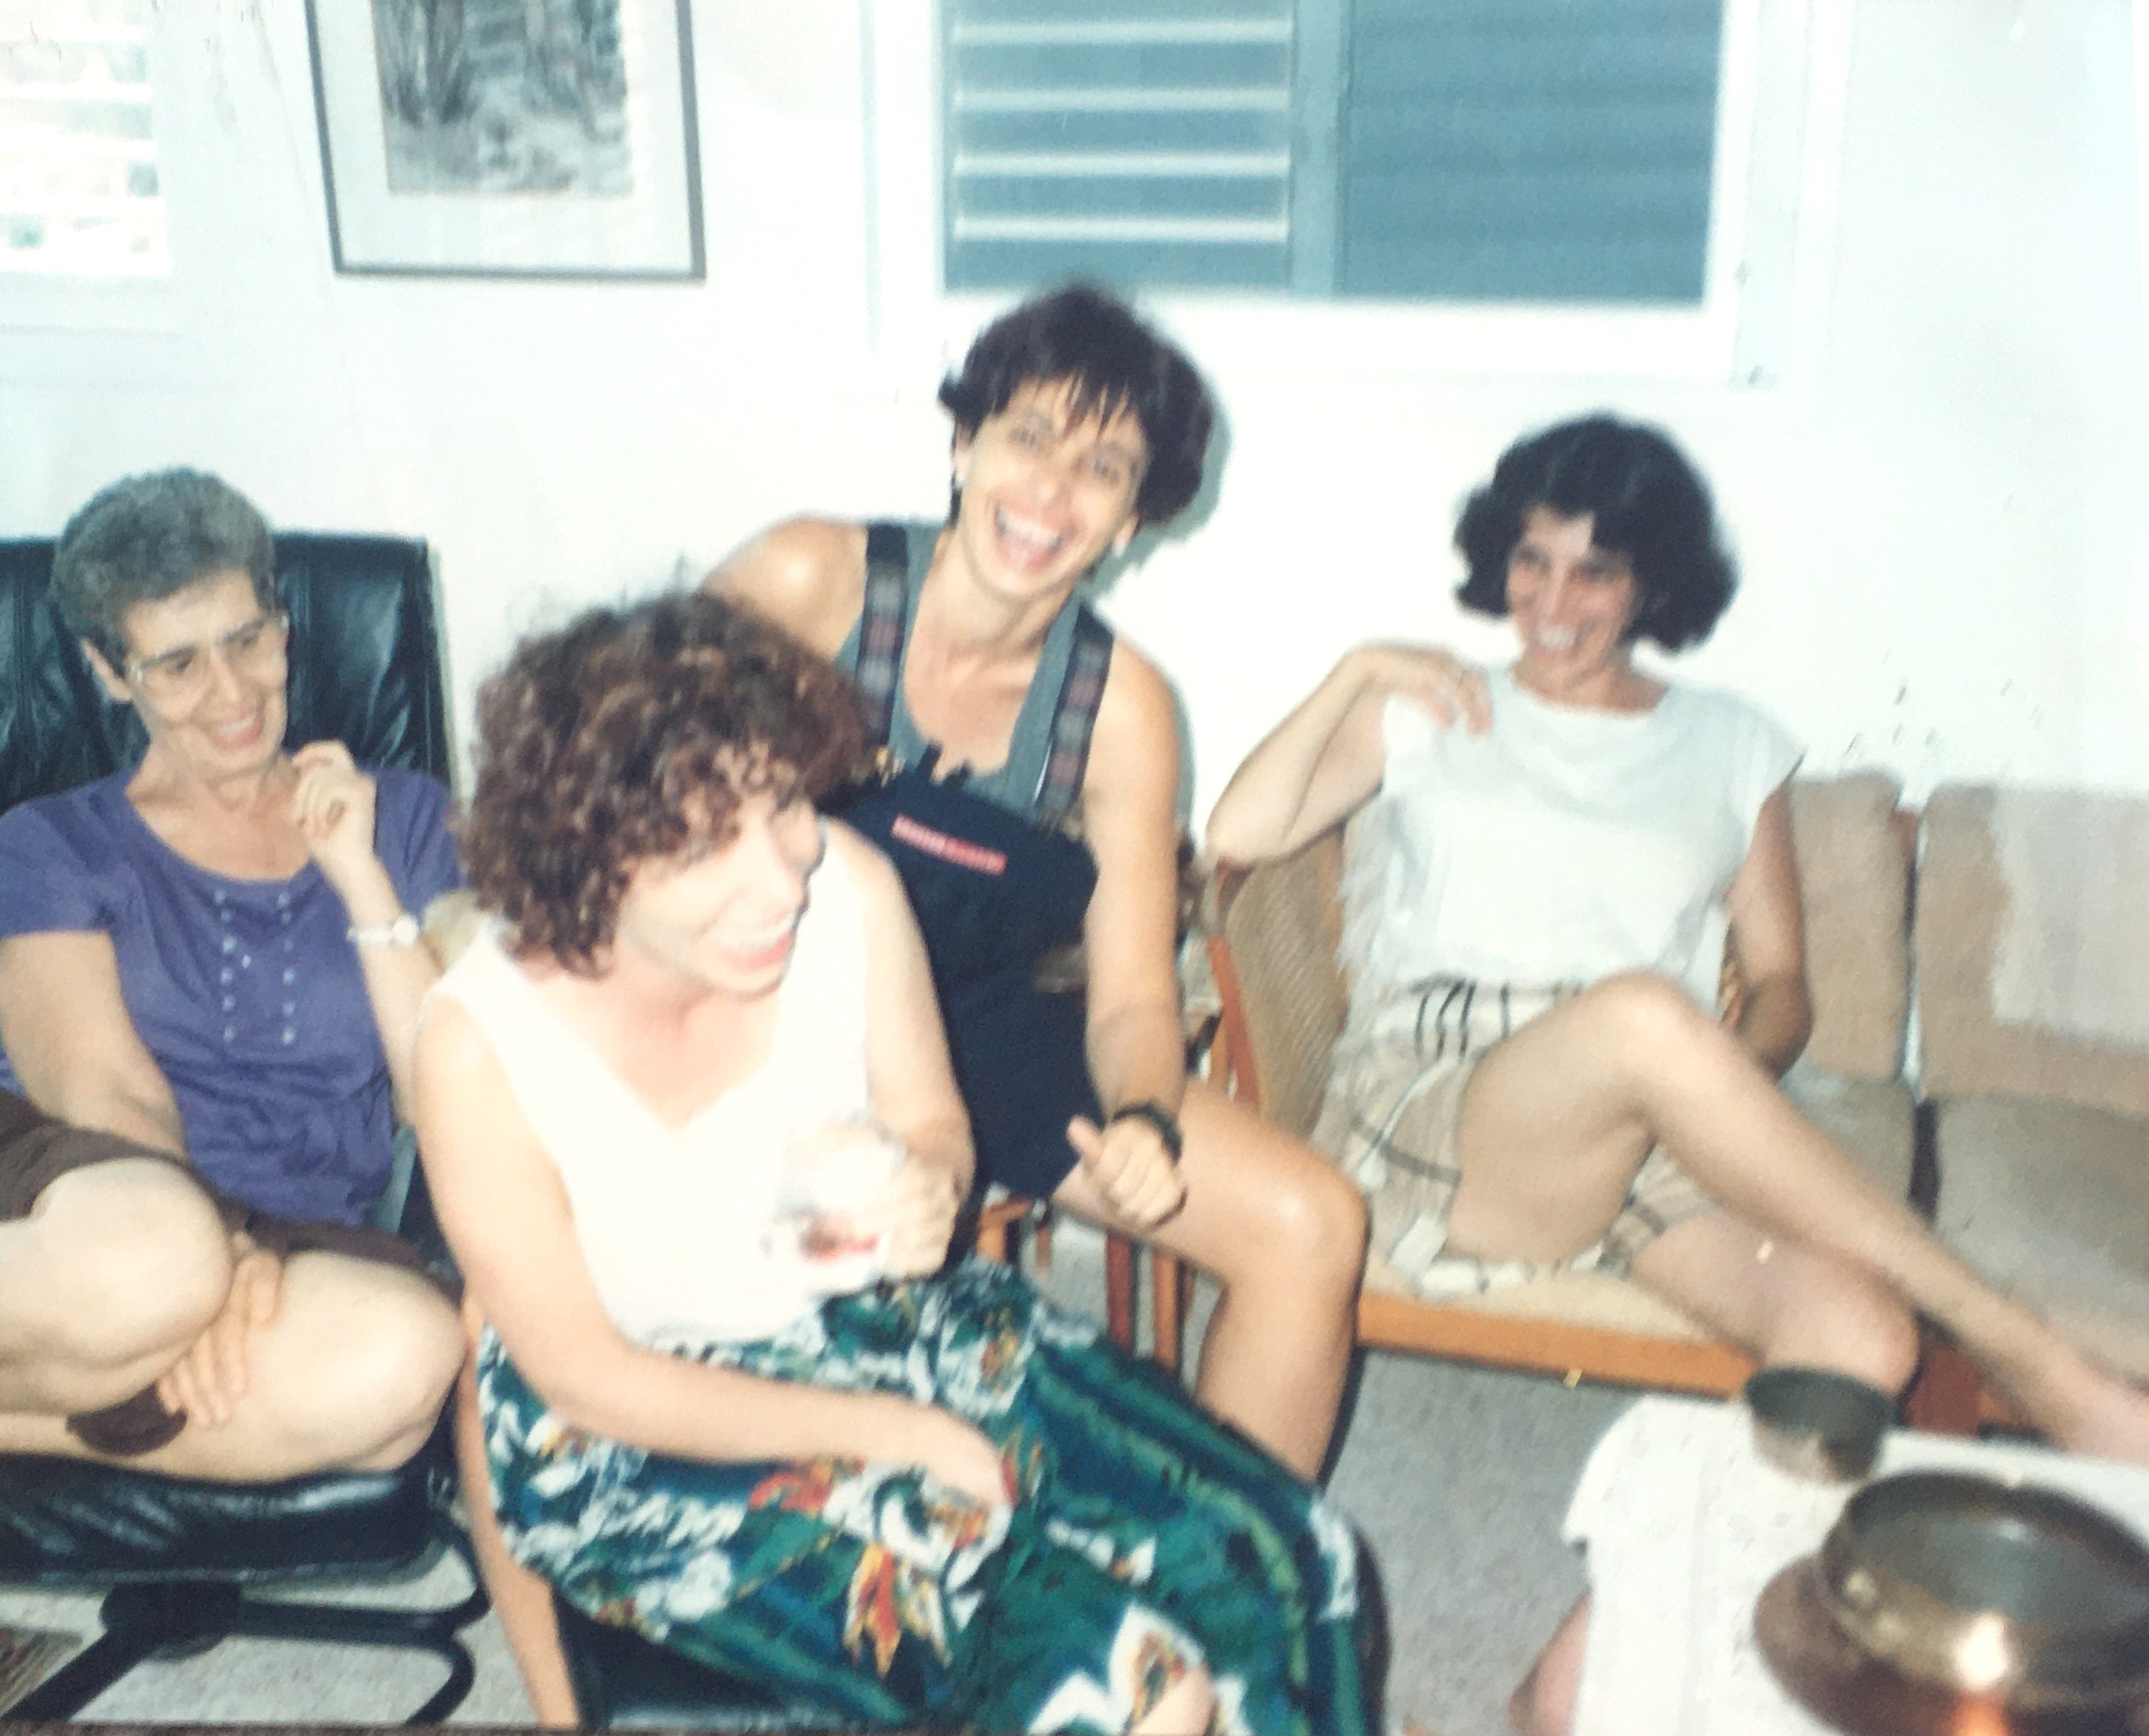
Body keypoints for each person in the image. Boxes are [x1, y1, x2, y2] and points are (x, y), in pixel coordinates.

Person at [1204, 413, 2149, 1734]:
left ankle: (1558, 1691)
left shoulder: (1732, 741)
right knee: (1646, 1015)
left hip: (1642, 1105)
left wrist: (1718, 1090)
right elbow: (1238, 829)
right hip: (1448, 1098)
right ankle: (2028, 1352)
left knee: (1859, 1342)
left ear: (1653, 583)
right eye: (1532, 561)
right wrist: (1356, 670)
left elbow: (1783, 983)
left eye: (1595, 571)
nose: (1554, 602)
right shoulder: (1428, 706)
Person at [415, 594, 1374, 1735]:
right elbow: (585, 1378)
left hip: (886, 1326)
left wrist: (928, 1185)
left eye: (784, 805)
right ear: (588, 851)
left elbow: (933, 1124)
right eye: (708, 844)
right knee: (1120, 1684)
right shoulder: (479, 1043)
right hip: (642, 1435)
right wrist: (895, 1433)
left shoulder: (851, 890)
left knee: (1283, 1553)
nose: (782, 879)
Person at [709, 285, 1366, 1479]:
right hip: (752, 1000)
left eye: (1103, 469)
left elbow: (1131, 1000)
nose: (1053, 494)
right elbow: (628, 806)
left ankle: (1226, 1558)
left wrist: (1144, 1121)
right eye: (1028, 438)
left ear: (1131, 521)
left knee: (1311, 1223)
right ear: (964, 444)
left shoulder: (1122, 710)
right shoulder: (811, 580)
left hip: (974, 1025)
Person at [0, 468, 465, 1490]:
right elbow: (102, 1096)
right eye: (177, 663)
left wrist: (361, 878)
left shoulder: (405, 818)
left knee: (407, 1356)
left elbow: (443, 1100)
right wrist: (218, 1254)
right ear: (110, 673)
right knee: (155, 1256)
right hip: (64, 1211)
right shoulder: (51, 843)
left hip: (294, 1229)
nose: (232, 691)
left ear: (283, 626)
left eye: (248, 638)